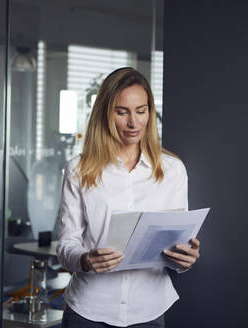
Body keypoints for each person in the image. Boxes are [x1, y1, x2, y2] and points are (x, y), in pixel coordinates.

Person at [56, 67, 201, 328]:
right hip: (89, 311)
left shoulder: (172, 170)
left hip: (149, 310)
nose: (134, 123)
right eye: (122, 112)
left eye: (141, 111)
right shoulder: (79, 169)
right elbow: (66, 244)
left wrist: (185, 259)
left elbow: (178, 242)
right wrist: (85, 260)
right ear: (105, 113)